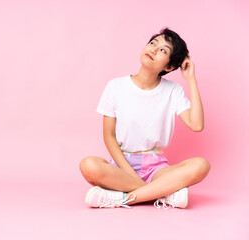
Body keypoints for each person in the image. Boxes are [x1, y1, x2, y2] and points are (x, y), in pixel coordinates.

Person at [79, 28, 210, 209]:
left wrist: (191, 79)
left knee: (201, 165)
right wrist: (129, 173)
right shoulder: (115, 86)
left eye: (163, 50)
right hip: (121, 165)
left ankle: (123, 199)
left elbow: (196, 125)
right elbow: (109, 136)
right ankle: (162, 193)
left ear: (170, 67)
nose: (154, 49)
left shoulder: (172, 91)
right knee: (89, 165)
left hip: (157, 169)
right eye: (153, 43)